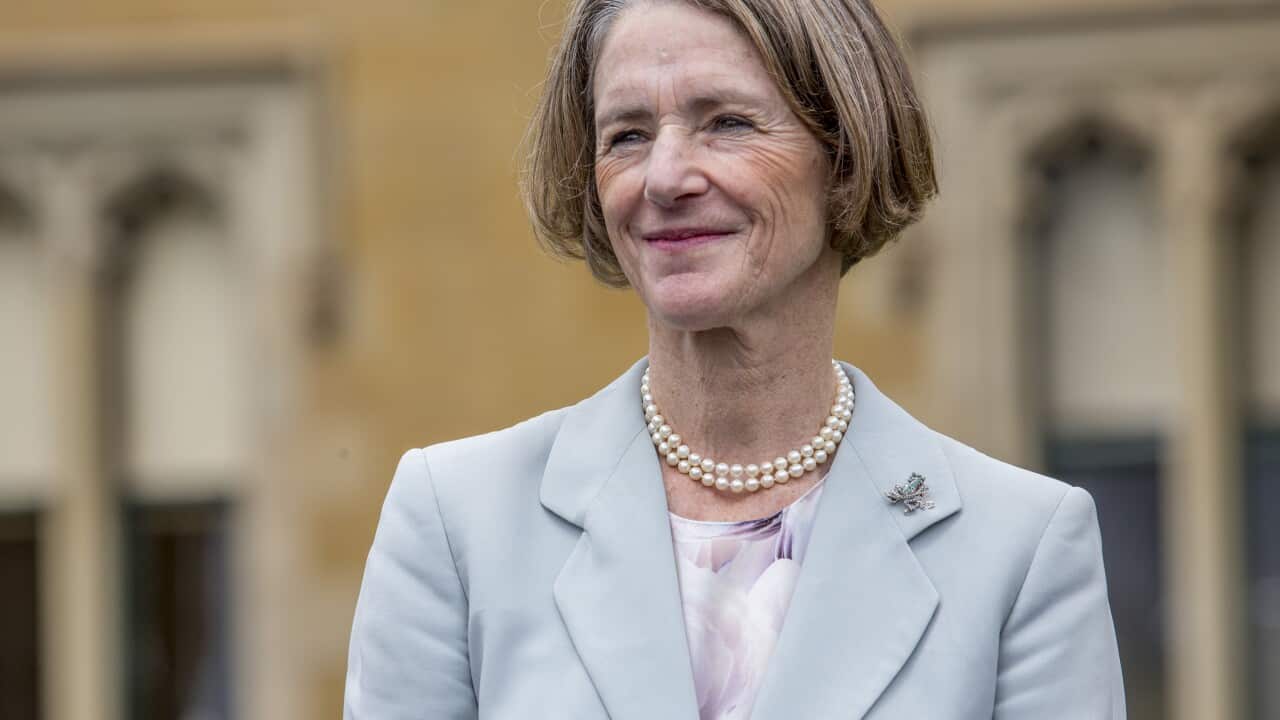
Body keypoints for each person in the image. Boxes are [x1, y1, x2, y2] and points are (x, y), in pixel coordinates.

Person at [343, 0, 1127, 717]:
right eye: (628, 135)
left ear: (845, 155)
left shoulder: (1020, 550)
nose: (665, 177)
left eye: (726, 123)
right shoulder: (456, 523)